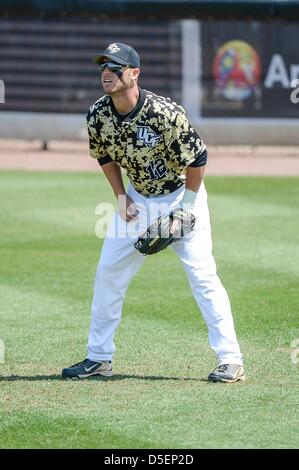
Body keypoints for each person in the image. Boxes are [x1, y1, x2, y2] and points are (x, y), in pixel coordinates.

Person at [62, 42, 245, 383]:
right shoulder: (97, 114)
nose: (107, 72)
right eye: (103, 66)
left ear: (133, 73)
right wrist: (119, 195)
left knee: (202, 275)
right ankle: (99, 358)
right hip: (137, 200)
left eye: (115, 67)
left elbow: (198, 158)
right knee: (108, 273)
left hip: (181, 196)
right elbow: (104, 155)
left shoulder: (164, 113)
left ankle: (231, 359)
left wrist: (187, 210)